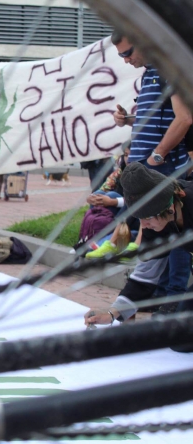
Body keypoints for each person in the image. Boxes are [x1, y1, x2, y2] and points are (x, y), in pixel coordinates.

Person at [112, 29, 193, 313]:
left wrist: (158, 155)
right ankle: (156, 298)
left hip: (164, 169)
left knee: (177, 231)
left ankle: (172, 300)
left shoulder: (170, 70)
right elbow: (160, 115)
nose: (125, 60)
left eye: (128, 52)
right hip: (148, 169)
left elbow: (183, 118)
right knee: (155, 233)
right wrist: (129, 120)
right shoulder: (150, 74)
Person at [85, 163, 193, 345]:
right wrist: (113, 313)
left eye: (148, 217)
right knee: (181, 342)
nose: (144, 225)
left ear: (171, 206)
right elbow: (144, 278)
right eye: (139, 218)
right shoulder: (155, 225)